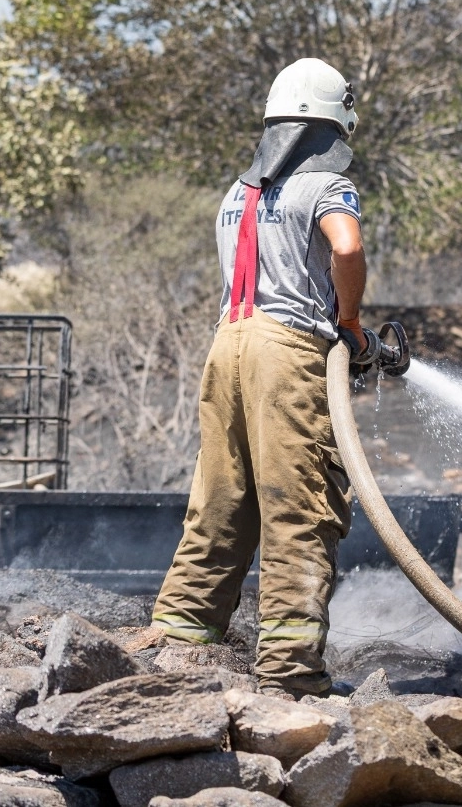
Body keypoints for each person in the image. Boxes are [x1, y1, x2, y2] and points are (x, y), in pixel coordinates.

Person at [151, 57, 374, 699]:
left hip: (227, 346)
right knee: (298, 503)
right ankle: (289, 673)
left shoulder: (236, 193)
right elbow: (346, 247)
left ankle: (180, 643)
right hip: (287, 351)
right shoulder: (326, 187)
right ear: (331, 127)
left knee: (221, 499)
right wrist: (350, 323)